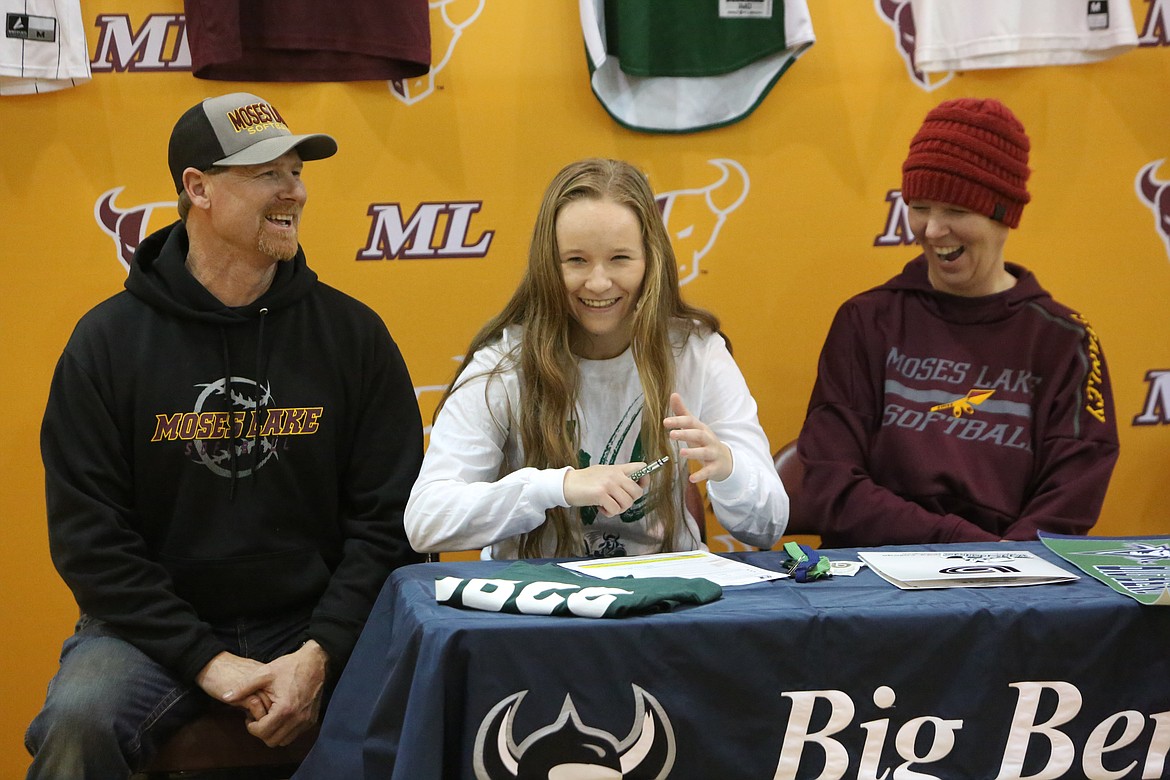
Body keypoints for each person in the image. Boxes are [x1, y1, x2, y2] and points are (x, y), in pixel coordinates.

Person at [25, 92, 424, 778]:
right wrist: (206, 661)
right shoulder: (106, 345)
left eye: (297, 172)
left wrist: (320, 651)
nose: (293, 192)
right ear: (197, 188)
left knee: (430, 694)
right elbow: (92, 543)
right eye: (268, 173)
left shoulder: (352, 337)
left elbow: (391, 523)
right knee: (80, 718)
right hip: (151, 635)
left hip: (313, 622)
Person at [405, 157, 788, 559]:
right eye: (576, 260)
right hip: (535, 609)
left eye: (620, 258)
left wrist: (727, 468)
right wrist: (558, 487)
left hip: (668, 602)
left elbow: (768, 526)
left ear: (650, 262)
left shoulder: (696, 352)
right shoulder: (503, 364)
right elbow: (426, 522)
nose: (599, 282)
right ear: (546, 266)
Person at [797, 97, 1119, 548]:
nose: (931, 230)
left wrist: (1001, 565)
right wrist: (963, 546)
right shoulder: (866, 321)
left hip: (1012, 587)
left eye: (956, 211)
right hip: (873, 579)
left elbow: (1070, 493)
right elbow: (830, 481)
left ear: (1005, 216)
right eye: (921, 206)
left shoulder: (1064, 341)